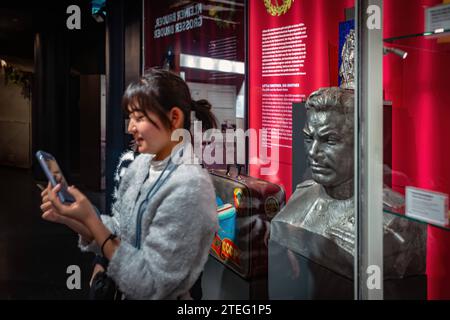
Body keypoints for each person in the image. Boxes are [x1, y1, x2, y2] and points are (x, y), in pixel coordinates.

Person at [40, 68, 219, 299]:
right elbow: (119, 228)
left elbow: (151, 285)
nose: (130, 128)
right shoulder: (141, 164)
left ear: (174, 118)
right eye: (130, 117)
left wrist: (92, 221)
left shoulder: (190, 187)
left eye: (139, 117)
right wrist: (71, 216)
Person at [270, 87, 426, 291]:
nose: (313, 152)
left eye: (330, 140)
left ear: (362, 144)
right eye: (309, 138)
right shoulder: (301, 193)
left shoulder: (395, 220)